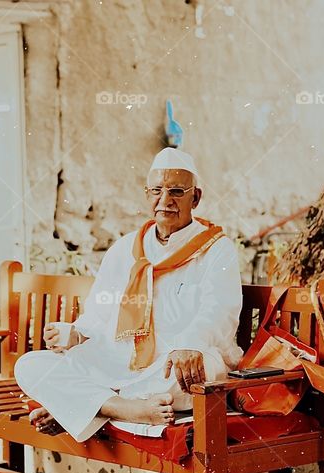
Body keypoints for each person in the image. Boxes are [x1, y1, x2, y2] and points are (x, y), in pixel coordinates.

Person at [14, 147, 243, 442]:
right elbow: (99, 312)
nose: (165, 201)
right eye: (156, 191)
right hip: (120, 362)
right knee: (30, 366)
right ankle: (127, 410)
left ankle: (83, 407)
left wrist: (190, 344)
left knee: (200, 373)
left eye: (176, 191)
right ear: (147, 195)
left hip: (171, 365)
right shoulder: (125, 249)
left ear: (195, 198)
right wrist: (76, 333)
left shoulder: (215, 248)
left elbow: (219, 309)